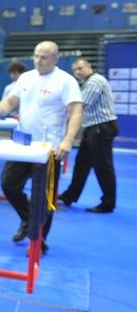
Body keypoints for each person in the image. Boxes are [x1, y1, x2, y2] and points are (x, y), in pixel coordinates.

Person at [0, 41, 82, 253]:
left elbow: (75, 111)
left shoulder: (65, 81)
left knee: (44, 198)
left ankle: (39, 241)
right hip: (23, 144)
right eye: (36, 55)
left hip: (49, 148)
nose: (38, 60)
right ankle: (28, 220)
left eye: (44, 57)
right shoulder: (26, 77)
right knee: (8, 184)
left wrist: (68, 140)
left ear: (55, 59)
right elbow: (11, 101)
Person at [59, 58, 118, 213]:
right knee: (81, 164)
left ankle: (108, 203)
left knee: (103, 167)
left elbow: (80, 106)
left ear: (89, 67)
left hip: (101, 128)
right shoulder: (86, 83)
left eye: (80, 68)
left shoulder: (94, 82)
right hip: (93, 129)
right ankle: (69, 196)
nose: (77, 72)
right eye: (75, 70)